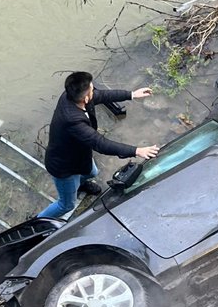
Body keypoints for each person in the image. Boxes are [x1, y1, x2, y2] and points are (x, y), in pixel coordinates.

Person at [37, 72, 160, 219]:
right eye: (91, 88)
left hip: (79, 155)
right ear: (85, 97)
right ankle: (38, 222)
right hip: (64, 166)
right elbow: (100, 144)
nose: (94, 89)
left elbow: (102, 96)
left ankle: (81, 185)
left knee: (92, 172)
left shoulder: (73, 96)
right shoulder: (72, 121)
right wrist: (137, 151)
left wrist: (132, 94)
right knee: (66, 205)